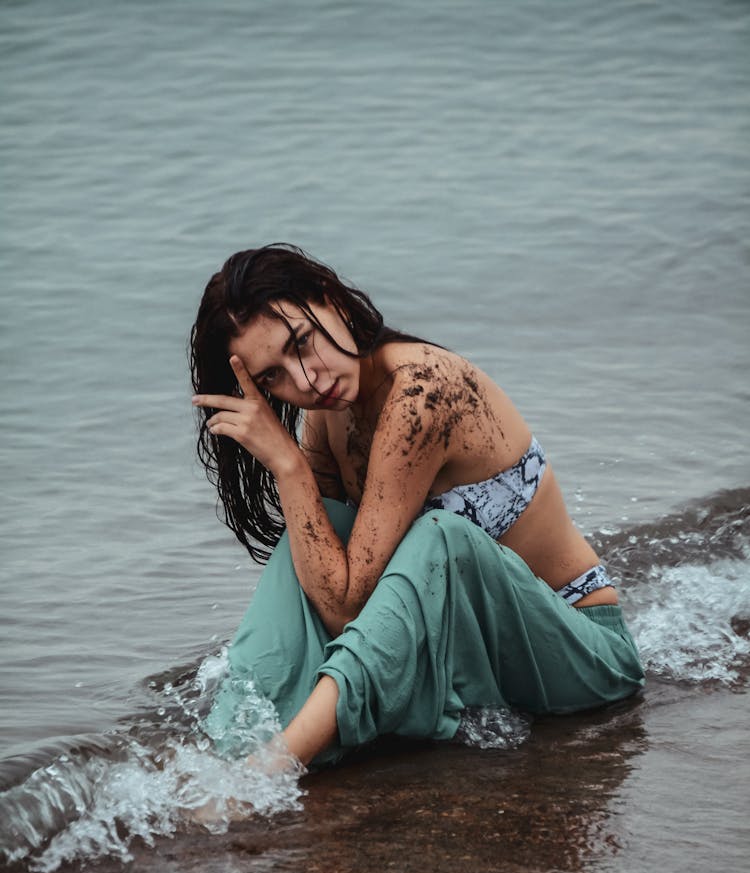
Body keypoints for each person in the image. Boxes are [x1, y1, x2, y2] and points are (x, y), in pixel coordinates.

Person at [190, 244, 644, 770]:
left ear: (330, 299)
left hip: (582, 657)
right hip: (475, 665)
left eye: (303, 343)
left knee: (439, 536)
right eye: (273, 377)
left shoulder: (422, 393)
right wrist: (296, 479)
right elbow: (323, 596)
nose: (307, 381)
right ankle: (230, 744)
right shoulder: (329, 414)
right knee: (312, 532)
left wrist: (289, 469)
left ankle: (274, 764)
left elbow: (349, 607)